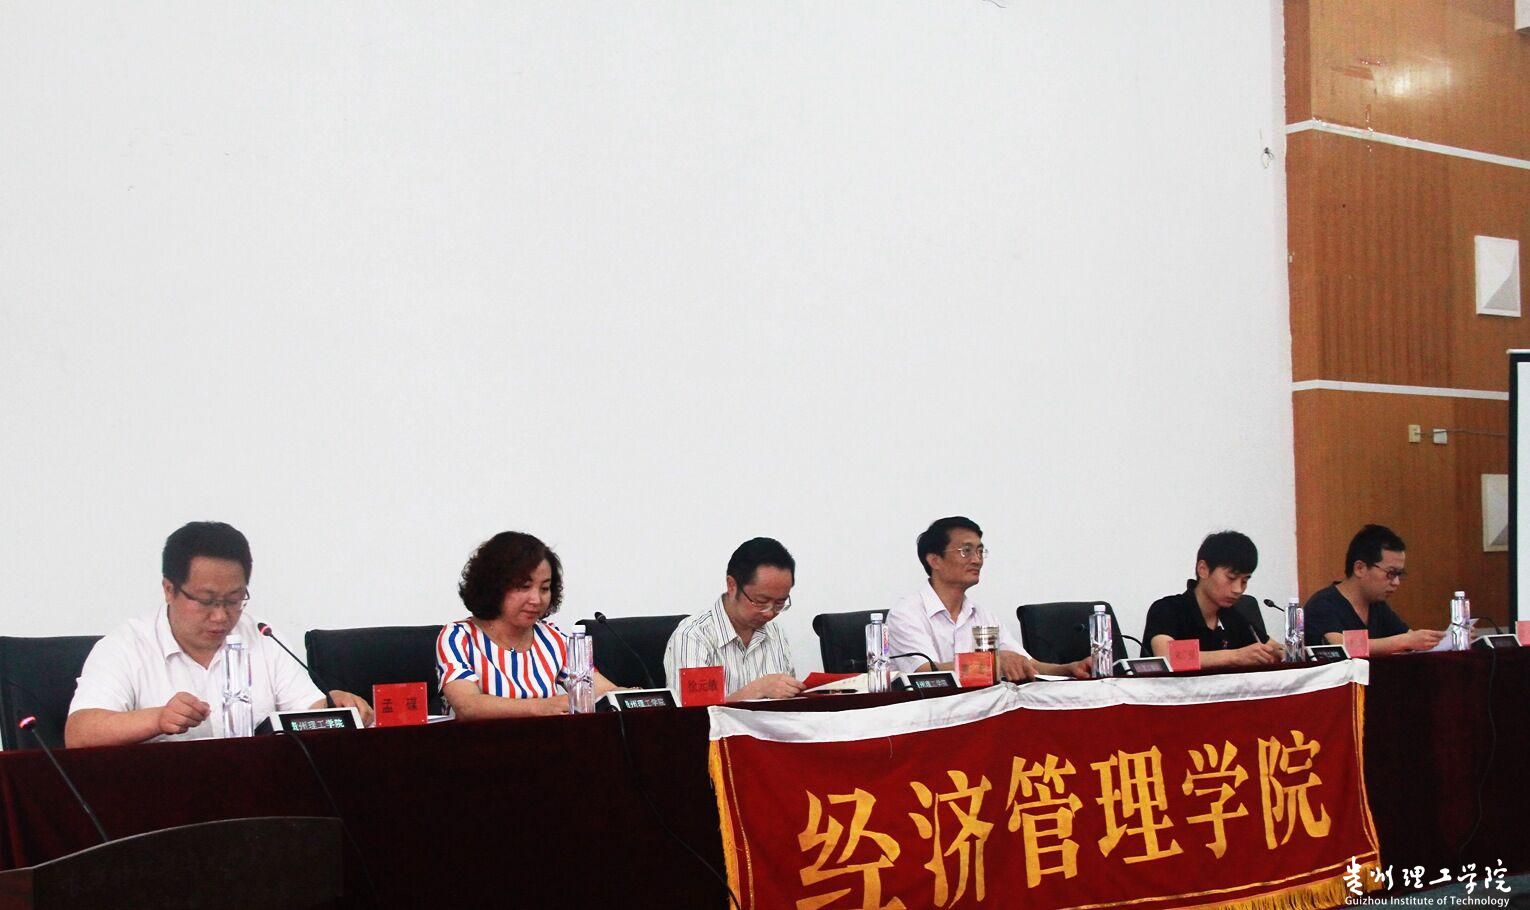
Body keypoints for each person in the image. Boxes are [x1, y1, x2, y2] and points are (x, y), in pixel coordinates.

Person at [65, 522, 374, 748]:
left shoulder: (262, 637)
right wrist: (158, 719)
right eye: (206, 601)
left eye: (234, 600)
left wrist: (335, 708)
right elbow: (79, 733)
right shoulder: (126, 646)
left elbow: (308, 712)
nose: (221, 616)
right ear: (169, 589)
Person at [437, 531, 619, 718]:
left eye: (544, 588)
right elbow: (468, 706)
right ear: (493, 586)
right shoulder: (458, 637)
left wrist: (631, 696)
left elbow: (606, 693)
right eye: (524, 587)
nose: (536, 599)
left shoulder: (551, 637)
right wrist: (543, 707)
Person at [886, 517, 1090, 682]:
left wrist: (1069, 669)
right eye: (966, 551)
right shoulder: (907, 613)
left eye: (980, 551)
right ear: (934, 560)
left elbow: (1027, 664)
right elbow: (924, 673)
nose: (977, 560)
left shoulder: (983, 616)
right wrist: (993, 664)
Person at [663, 537, 804, 701]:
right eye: (761, 601)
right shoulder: (693, 636)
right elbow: (695, 712)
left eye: (780, 603)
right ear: (732, 586)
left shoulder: (775, 632)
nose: (769, 613)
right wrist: (757, 690)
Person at [1142, 531, 1284, 667]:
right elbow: (1167, 657)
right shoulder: (1167, 609)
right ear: (1203, 569)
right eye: (1231, 578)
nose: (1238, 589)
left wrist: (1281, 653)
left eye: (1244, 581)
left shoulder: (1232, 616)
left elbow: (1274, 647)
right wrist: (1236, 656)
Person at [1303, 524, 1445, 654]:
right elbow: (1339, 646)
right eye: (1391, 573)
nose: (1396, 582)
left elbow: (1409, 637)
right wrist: (1403, 641)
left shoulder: (1377, 605)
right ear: (1360, 568)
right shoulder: (1323, 604)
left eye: (1399, 574)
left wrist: (1434, 640)